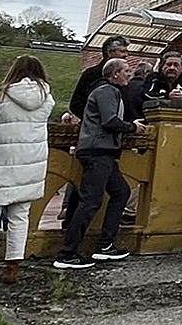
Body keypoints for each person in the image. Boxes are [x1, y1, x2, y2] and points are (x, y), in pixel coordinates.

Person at [0, 56, 56, 287]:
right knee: (20, 216)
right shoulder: (47, 98)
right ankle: (12, 267)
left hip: (0, 161)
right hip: (30, 163)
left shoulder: (3, 94)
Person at [54, 58, 146, 270]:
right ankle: (67, 253)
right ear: (115, 74)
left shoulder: (109, 91)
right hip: (97, 151)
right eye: (126, 71)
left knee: (121, 192)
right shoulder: (106, 91)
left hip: (103, 152)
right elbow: (109, 120)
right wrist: (132, 127)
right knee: (90, 201)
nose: (129, 74)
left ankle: (105, 245)